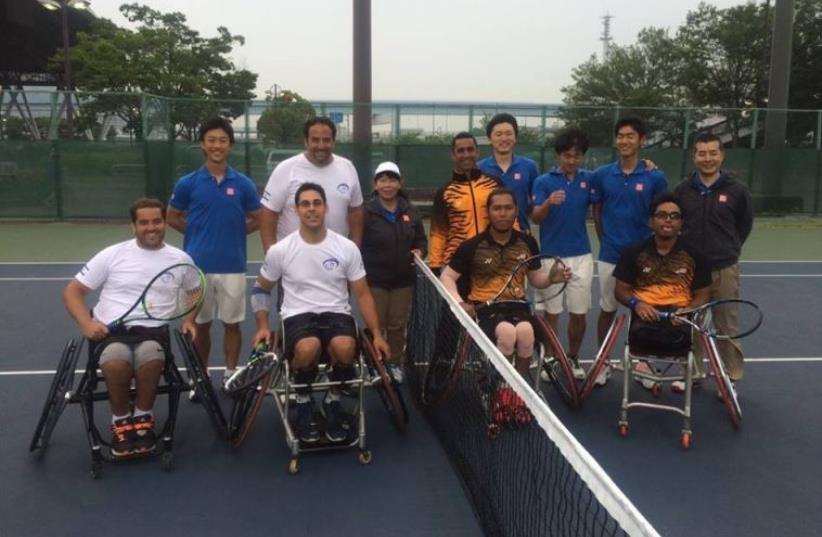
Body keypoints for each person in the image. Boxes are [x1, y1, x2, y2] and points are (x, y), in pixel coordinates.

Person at [252, 183, 390, 444]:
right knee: (308, 347)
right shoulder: (280, 250)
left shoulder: (346, 247)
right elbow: (260, 288)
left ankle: (333, 400)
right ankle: (303, 403)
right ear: (296, 210)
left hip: (337, 313)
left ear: (326, 207)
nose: (311, 209)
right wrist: (261, 325)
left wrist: (378, 334)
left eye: (317, 203)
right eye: (305, 204)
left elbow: (362, 293)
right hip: (297, 315)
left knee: (346, 347)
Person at [63, 198, 197, 458]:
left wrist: (189, 320)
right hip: (110, 332)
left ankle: (144, 416)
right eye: (144, 222)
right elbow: (73, 291)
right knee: (116, 361)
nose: (151, 227)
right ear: (133, 226)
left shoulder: (181, 259)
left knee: (149, 357)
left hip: (153, 332)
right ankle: (121, 420)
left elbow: (193, 290)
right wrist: (87, 323)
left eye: (156, 221)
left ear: (164, 222)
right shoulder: (112, 254)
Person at [440, 188, 571, 418]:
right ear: (489, 212)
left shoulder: (527, 242)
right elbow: (447, 277)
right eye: (497, 208)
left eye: (508, 208)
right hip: (486, 310)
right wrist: (461, 303)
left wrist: (551, 278)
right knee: (508, 334)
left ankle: (514, 389)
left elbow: (536, 279)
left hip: (518, 307)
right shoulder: (472, 246)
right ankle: (496, 386)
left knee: (526, 332)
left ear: (516, 211)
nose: (502, 213)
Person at [167, 117, 262, 394]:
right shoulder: (187, 183)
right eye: (211, 140)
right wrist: (196, 233)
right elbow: (172, 216)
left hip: (232, 266)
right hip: (196, 269)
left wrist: (235, 233)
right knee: (200, 325)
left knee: (232, 324)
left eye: (222, 140)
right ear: (202, 145)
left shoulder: (243, 184)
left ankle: (231, 374)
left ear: (230, 145)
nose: (217, 145)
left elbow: (258, 218)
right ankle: (201, 376)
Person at [591, 116, 667, 384]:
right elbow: (597, 210)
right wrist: (605, 240)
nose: (624, 141)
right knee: (607, 308)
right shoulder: (602, 175)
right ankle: (602, 362)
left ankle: (642, 362)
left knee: (643, 310)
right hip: (611, 254)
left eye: (630, 136)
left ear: (641, 140)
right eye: (620, 136)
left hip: (644, 257)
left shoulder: (654, 176)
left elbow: (660, 215)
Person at [674, 133, 753, 390]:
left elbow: (744, 225)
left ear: (722, 155)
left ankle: (730, 378)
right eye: (702, 153)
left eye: (713, 153)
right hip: (690, 272)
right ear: (694, 156)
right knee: (690, 324)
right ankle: (693, 373)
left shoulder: (737, 190)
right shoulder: (682, 190)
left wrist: (727, 250)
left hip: (724, 268)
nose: (707, 158)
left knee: (726, 324)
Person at [613, 193, 711, 390]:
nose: (668, 220)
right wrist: (636, 304)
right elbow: (620, 290)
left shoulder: (695, 255)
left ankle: (688, 375)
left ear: (681, 222)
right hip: (644, 318)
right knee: (638, 338)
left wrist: (689, 310)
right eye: (662, 215)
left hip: (680, 319)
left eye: (674, 216)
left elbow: (703, 293)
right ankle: (644, 367)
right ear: (651, 221)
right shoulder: (633, 252)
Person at [530, 127, 594, 380]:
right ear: (559, 155)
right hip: (550, 256)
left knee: (579, 312)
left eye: (577, 155)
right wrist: (548, 203)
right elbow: (535, 217)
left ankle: (574, 358)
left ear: (582, 157)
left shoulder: (589, 179)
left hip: (581, 256)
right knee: (552, 313)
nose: (571, 160)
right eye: (567, 155)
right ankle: (550, 358)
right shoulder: (543, 182)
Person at [360, 161, 428, 383]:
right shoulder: (366, 212)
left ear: (400, 183)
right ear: (375, 184)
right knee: (375, 324)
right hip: (375, 280)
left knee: (397, 325)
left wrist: (420, 250)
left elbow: (421, 239)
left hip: (403, 281)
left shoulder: (410, 211)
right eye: (382, 180)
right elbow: (356, 244)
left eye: (392, 180)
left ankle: (394, 363)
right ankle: (374, 365)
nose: (387, 185)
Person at [259, 116, 364, 251]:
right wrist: (271, 256)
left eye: (326, 140)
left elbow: (356, 211)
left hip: (337, 259)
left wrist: (355, 249)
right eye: (315, 140)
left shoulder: (347, 167)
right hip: (293, 260)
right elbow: (268, 213)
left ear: (333, 142)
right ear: (306, 142)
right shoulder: (285, 169)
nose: (321, 146)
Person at [429, 132, 507, 273]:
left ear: (477, 152)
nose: (466, 155)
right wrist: (435, 266)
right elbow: (438, 233)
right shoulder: (445, 192)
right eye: (461, 151)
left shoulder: (495, 184)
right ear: (453, 155)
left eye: (470, 149)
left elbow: (509, 219)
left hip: (491, 259)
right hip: (456, 265)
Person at [478, 113, 540, 234]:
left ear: (515, 137)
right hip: (486, 238)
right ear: (490, 139)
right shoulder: (479, 168)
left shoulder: (529, 167)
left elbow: (536, 204)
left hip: (521, 236)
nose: (504, 139)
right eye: (498, 134)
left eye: (508, 134)